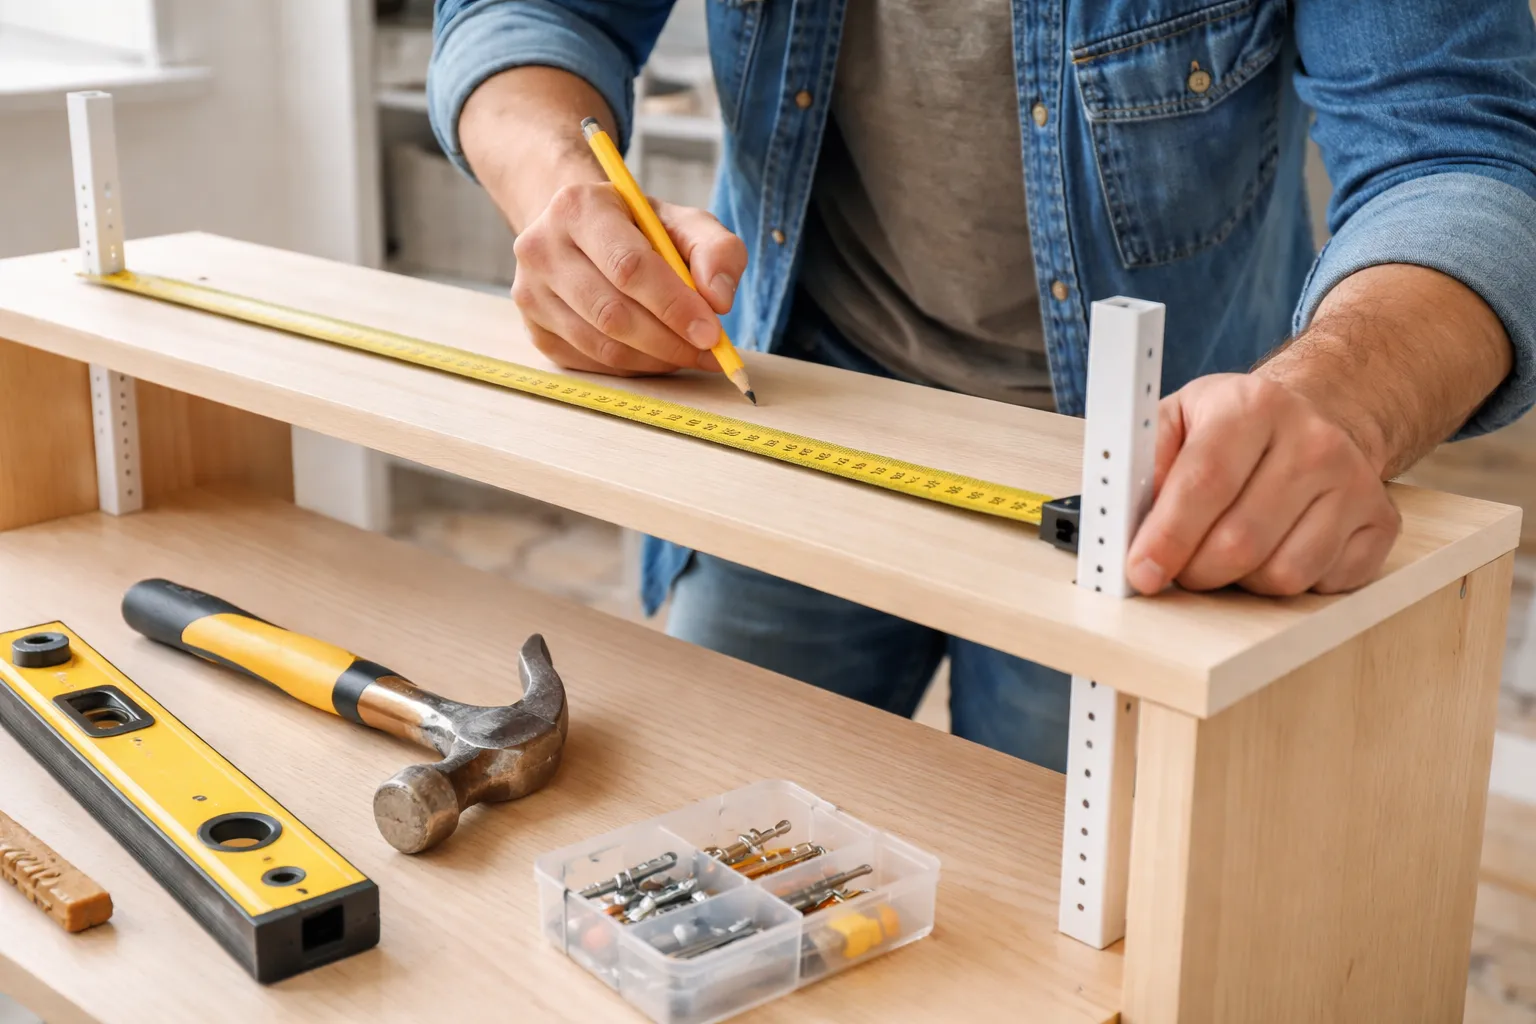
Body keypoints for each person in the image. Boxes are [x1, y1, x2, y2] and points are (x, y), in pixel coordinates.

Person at [426, 0, 1536, 771]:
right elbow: (527, 16)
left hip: (1159, 496)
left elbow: (1461, 151)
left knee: (1090, 941)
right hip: (804, 418)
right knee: (697, 876)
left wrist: (1342, 398)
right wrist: (560, 187)